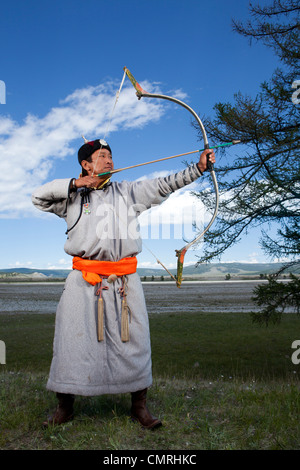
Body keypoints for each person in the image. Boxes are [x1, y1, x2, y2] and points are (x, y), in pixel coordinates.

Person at [32, 139, 216, 429]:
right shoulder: (72, 197)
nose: (109, 161)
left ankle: (139, 407)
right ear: (86, 164)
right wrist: (75, 183)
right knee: (72, 344)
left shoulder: (128, 191)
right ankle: (64, 408)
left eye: (110, 156)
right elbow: (38, 197)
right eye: (101, 156)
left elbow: (164, 184)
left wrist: (198, 169)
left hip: (124, 282)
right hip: (83, 281)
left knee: (135, 344)